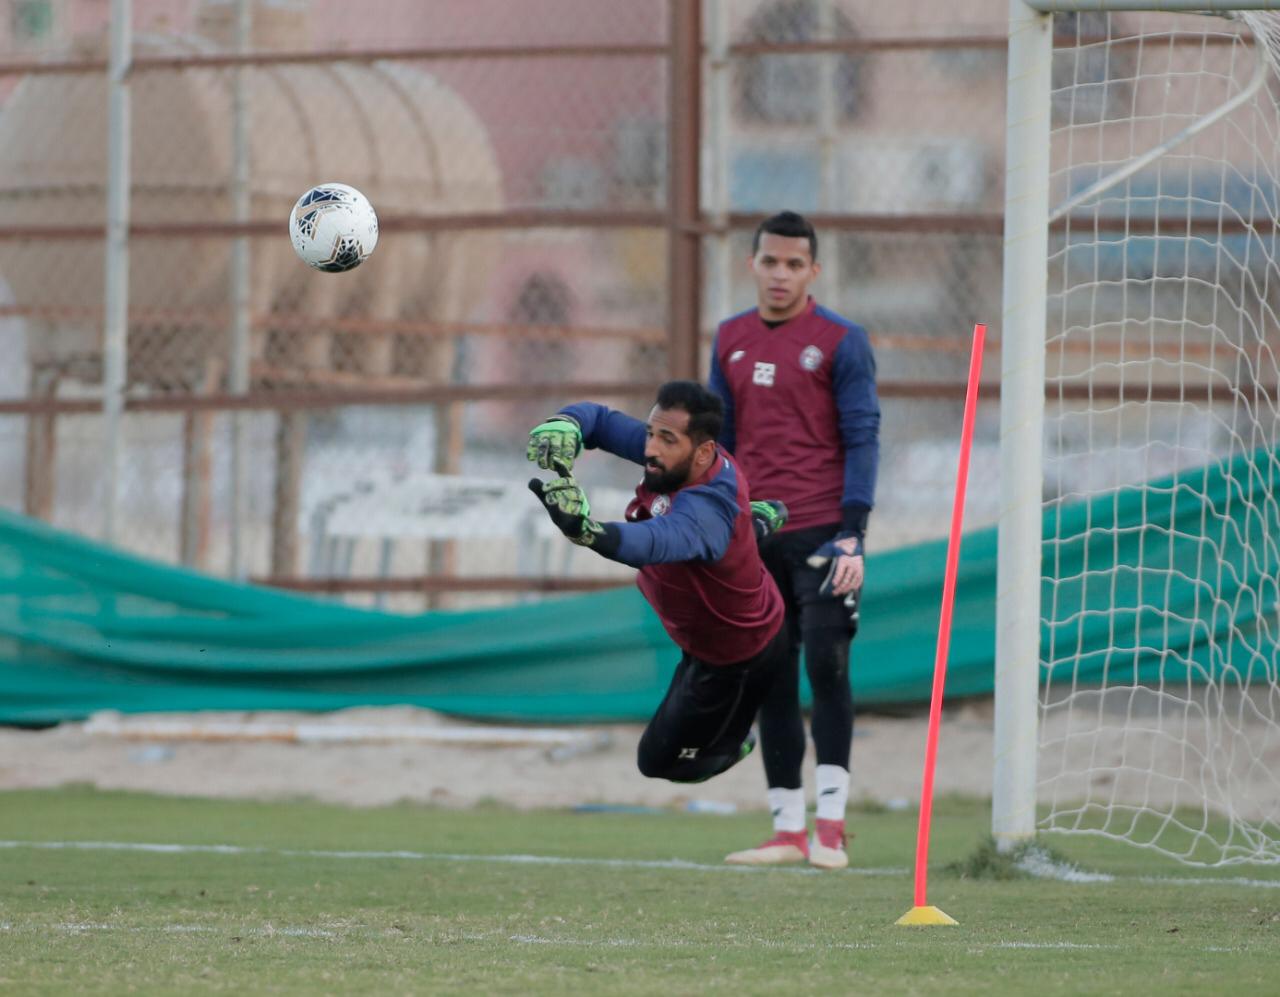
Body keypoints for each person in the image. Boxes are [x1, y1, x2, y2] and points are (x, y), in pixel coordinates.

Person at [708, 210, 880, 871]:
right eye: (769, 261)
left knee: (827, 666)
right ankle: (787, 829)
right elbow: (717, 445)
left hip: (823, 532)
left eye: (793, 263)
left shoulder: (841, 340)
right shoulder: (729, 338)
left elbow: (862, 435)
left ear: (813, 270)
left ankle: (831, 826)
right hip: (755, 536)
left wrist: (853, 534)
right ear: (751, 264)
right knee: (768, 674)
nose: (780, 274)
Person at [526, 380, 790, 784]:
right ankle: (753, 520)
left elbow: (653, 542)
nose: (650, 448)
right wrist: (568, 422)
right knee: (725, 538)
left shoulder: (705, 508)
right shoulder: (676, 458)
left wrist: (588, 531)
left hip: (737, 657)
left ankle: (730, 738)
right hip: (702, 637)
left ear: (704, 451)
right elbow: (600, 421)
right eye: (651, 433)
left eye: (666, 439)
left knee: (660, 763)